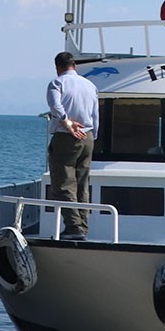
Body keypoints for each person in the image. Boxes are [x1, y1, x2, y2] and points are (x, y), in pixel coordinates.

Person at [46, 51, 100, 239]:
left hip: (66, 137)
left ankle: (73, 227)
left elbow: (55, 106)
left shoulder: (57, 83)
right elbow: (95, 115)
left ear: (58, 67)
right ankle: (83, 226)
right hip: (88, 137)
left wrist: (66, 122)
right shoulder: (90, 85)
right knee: (82, 183)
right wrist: (92, 136)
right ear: (74, 66)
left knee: (64, 183)